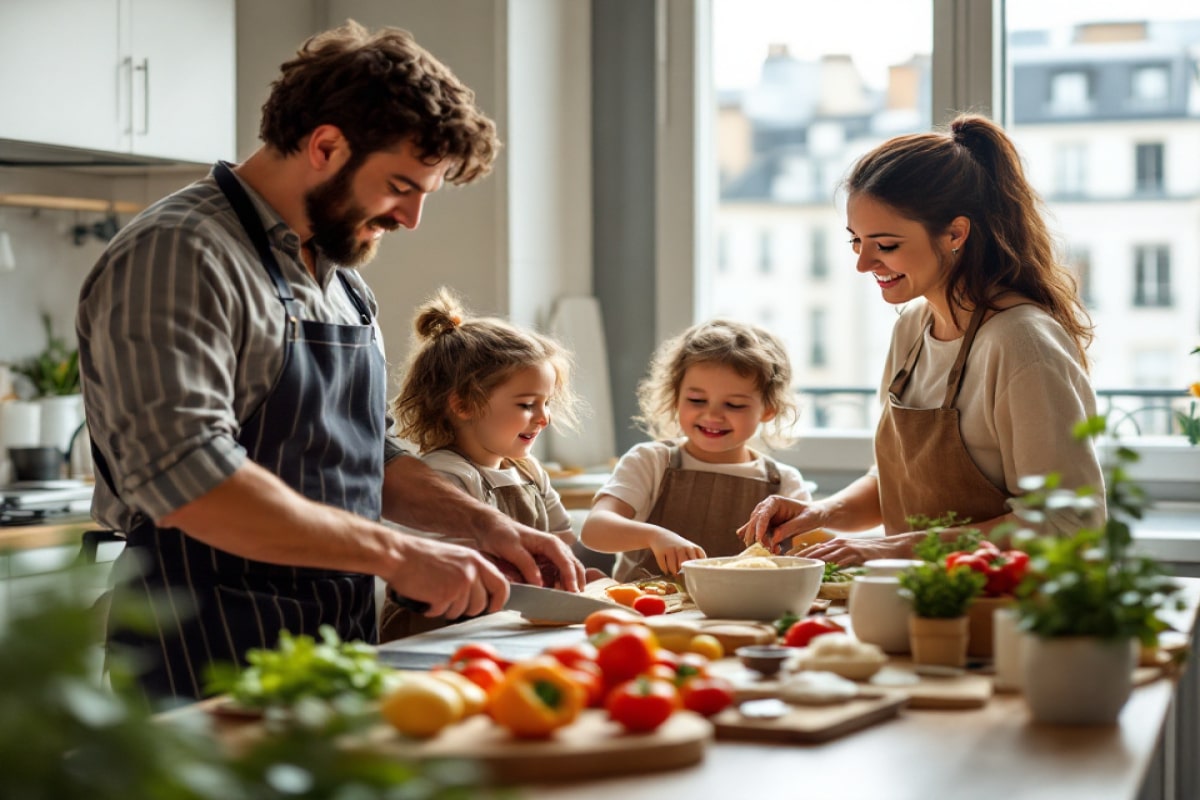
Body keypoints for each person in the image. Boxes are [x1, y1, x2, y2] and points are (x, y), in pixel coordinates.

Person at [75, 20, 583, 703]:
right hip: (202, 645)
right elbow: (190, 479)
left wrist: (489, 526)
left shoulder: (341, 281)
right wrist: (398, 554)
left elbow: (368, 454)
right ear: (325, 145)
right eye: (401, 185)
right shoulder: (182, 254)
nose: (411, 218)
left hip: (332, 637)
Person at [739, 113, 1104, 566]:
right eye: (856, 241)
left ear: (955, 233)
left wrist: (887, 547)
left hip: (1012, 612)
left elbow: (1066, 523)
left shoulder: (1022, 343)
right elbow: (896, 484)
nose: (863, 264)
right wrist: (817, 514)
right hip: (927, 601)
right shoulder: (912, 327)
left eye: (886, 245)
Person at [379, 288, 606, 639]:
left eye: (546, 403)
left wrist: (578, 579)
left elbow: (560, 543)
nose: (544, 418)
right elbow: (432, 571)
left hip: (504, 626)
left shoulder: (530, 471)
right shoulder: (445, 476)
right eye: (527, 404)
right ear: (464, 405)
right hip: (439, 632)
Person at [581, 319, 811, 582]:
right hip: (649, 614)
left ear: (769, 409)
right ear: (675, 396)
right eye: (696, 400)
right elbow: (594, 530)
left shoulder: (784, 482)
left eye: (734, 405)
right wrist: (655, 536)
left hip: (744, 617)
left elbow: (812, 551)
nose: (712, 414)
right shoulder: (651, 461)